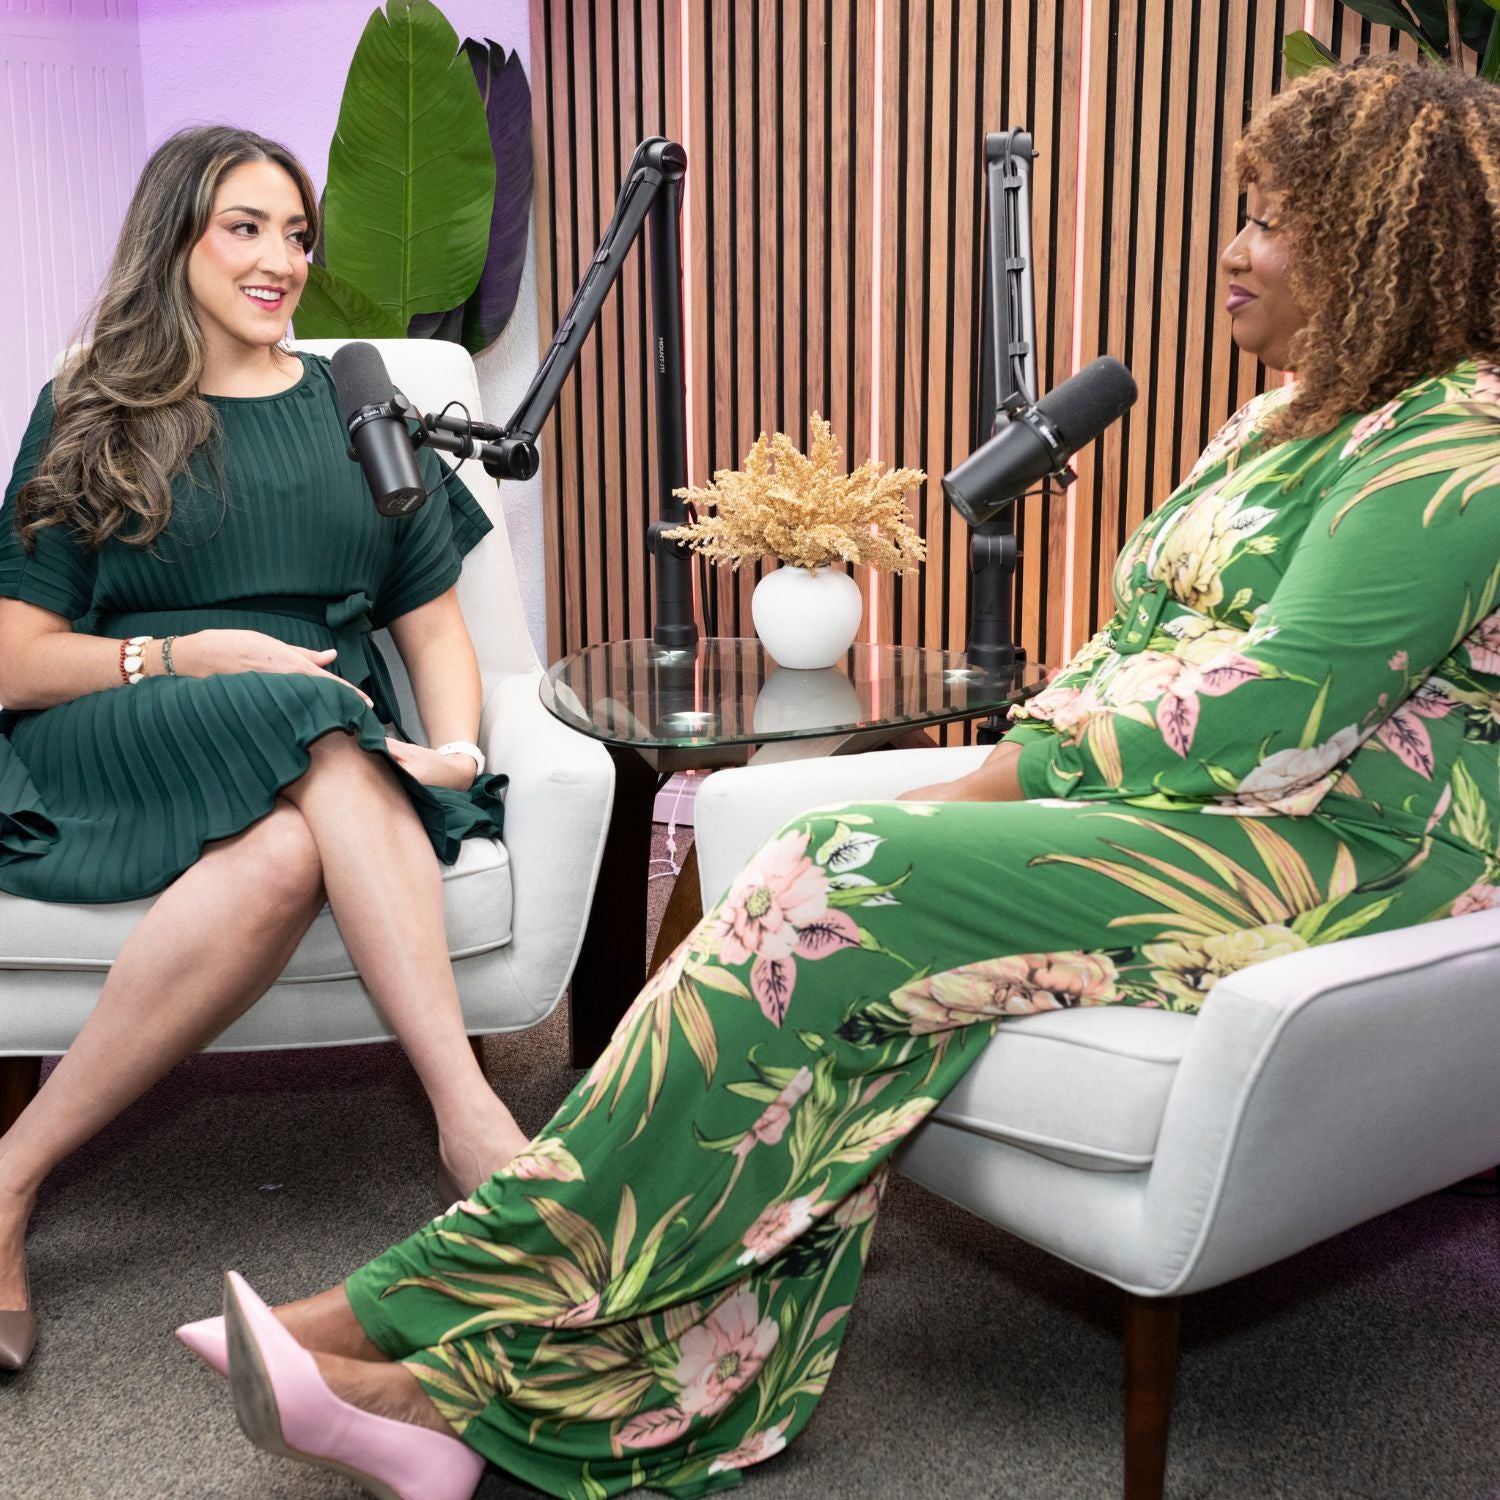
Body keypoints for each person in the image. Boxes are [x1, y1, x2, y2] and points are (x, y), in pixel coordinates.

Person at [188, 54, 1497, 1499]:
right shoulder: (1279, 420)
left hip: (1347, 853)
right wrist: (1029, 762)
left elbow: (1275, 710)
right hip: (1182, 816)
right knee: (820, 923)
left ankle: (403, 1311)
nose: (1234, 250)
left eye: (1274, 221)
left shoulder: (1464, 439)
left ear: (1381, 245)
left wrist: (1001, 785)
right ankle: (499, 1397)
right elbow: (1133, 647)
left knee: (842, 869)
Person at [0, 127, 535, 1371]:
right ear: (175, 241)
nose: (281, 259)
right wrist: (194, 655)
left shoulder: (358, 408)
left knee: (294, 835)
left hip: (313, 741)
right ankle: (471, 1124)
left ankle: (7, 1181)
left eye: (296, 233)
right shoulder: (90, 412)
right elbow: (15, 657)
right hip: (121, 730)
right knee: (311, 707)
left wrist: (457, 749)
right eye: (244, 227)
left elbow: (432, 625)